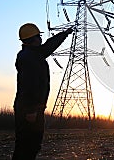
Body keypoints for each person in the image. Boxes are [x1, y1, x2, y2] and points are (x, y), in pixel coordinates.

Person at [12, 23, 73, 160]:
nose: (40, 39)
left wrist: (64, 34)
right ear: (32, 39)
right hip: (28, 109)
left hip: (33, 107)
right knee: (27, 145)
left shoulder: (33, 54)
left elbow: (49, 46)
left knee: (32, 144)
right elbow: (29, 85)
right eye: (39, 36)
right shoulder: (28, 58)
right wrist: (30, 110)